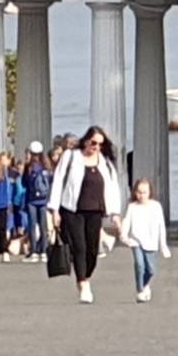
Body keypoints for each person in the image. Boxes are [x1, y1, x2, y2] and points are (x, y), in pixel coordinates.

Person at [50, 125, 125, 305]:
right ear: (85, 141)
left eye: (100, 144)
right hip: (72, 209)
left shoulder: (105, 162)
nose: (96, 147)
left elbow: (113, 187)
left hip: (95, 211)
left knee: (92, 249)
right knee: (79, 247)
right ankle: (83, 284)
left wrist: (115, 213)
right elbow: (58, 181)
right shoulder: (71, 157)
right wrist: (54, 210)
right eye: (93, 143)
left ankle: (87, 276)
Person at [120, 177, 172, 304]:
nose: (141, 195)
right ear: (135, 193)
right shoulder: (132, 207)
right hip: (135, 240)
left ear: (149, 193)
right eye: (139, 192)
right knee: (139, 264)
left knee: (151, 270)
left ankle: (146, 285)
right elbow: (126, 221)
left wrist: (163, 245)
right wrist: (124, 236)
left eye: (144, 192)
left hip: (151, 241)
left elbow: (161, 226)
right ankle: (140, 290)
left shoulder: (156, 207)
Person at [23, 142, 54, 262]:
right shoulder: (46, 166)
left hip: (31, 200)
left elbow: (24, 183)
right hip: (43, 200)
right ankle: (44, 251)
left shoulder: (29, 167)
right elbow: (51, 181)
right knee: (43, 226)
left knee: (32, 225)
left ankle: (33, 252)